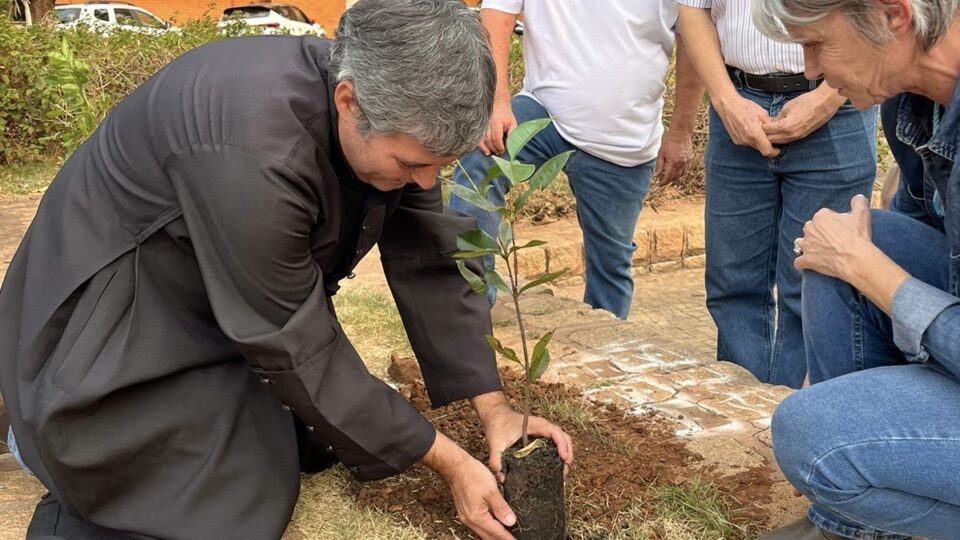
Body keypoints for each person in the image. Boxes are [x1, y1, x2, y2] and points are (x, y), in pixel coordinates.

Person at [0, 1, 574, 538]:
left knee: (288, 436)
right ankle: (36, 435)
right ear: (348, 100)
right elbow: (291, 338)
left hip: (214, 292)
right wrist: (449, 462)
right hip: (119, 310)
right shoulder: (253, 144)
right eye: (413, 164)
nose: (426, 183)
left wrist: (495, 409)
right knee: (215, 501)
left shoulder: (391, 108)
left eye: (439, 167)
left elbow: (428, 258)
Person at [750, 0, 960, 537]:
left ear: (893, 16)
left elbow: (881, 276)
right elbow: (921, 238)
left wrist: (867, 270)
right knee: (845, 237)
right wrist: (853, 266)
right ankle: (852, 523)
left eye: (818, 44)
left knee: (813, 434)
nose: (810, 72)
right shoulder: (914, 104)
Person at [449, 0, 705, 320]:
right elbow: (497, 14)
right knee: (480, 162)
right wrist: (496, 101)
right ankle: (468, 309)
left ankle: (607, 345)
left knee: (610, 266)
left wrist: (680, 132)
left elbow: (696, 43)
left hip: (624, 139)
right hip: (543, 111)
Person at [677, 0, 877, 388]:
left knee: (815, 285)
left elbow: (880, 13)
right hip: (735, 105)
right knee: (731, 283)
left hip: (840, 106)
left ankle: (796, 416)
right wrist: (725, 101)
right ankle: (742, 420)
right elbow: (691, 7)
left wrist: (828, 97)